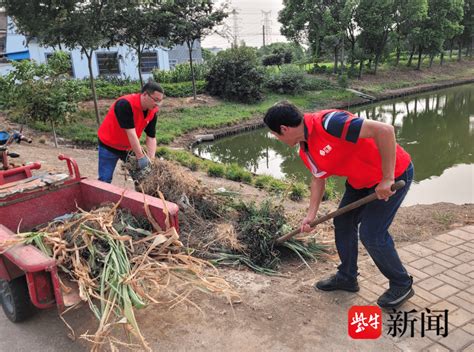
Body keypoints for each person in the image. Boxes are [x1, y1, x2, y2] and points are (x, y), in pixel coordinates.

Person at [263, 101, 415, 309]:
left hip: (394, 175)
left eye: (275, 135)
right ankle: (347, 277)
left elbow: (385, 130)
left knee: (372, 234)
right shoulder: (306, 150)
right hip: (360, 181)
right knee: (342, 222)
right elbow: (318, 179)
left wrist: (387, 178)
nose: (277, 139)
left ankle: (401, 283)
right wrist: (311, 215)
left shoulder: (330, 123)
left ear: (284, 129)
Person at [97, 82, 164, 183]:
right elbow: (131, 133)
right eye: (155, 100)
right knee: (105, 180)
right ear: (145, 94)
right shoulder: (125, 104)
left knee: (142, 179)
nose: (157, 104)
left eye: (160, 101)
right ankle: (101, 197)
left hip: (128, 147)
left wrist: (151, 159)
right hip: (109, 145)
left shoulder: (152, 111)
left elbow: (151, 137)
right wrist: (141, 157)